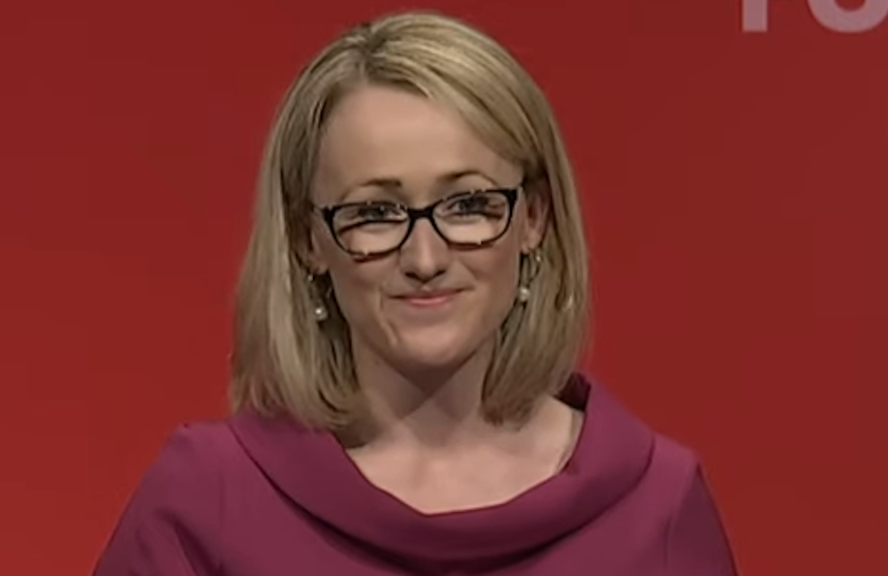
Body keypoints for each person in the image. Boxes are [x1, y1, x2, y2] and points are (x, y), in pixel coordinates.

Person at [92, 10, 738, 576]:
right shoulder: (206, 500)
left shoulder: (657, 505)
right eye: (375, 213)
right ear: (309, 239)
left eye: (469, 204)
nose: (425, 259)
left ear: (534, 218)